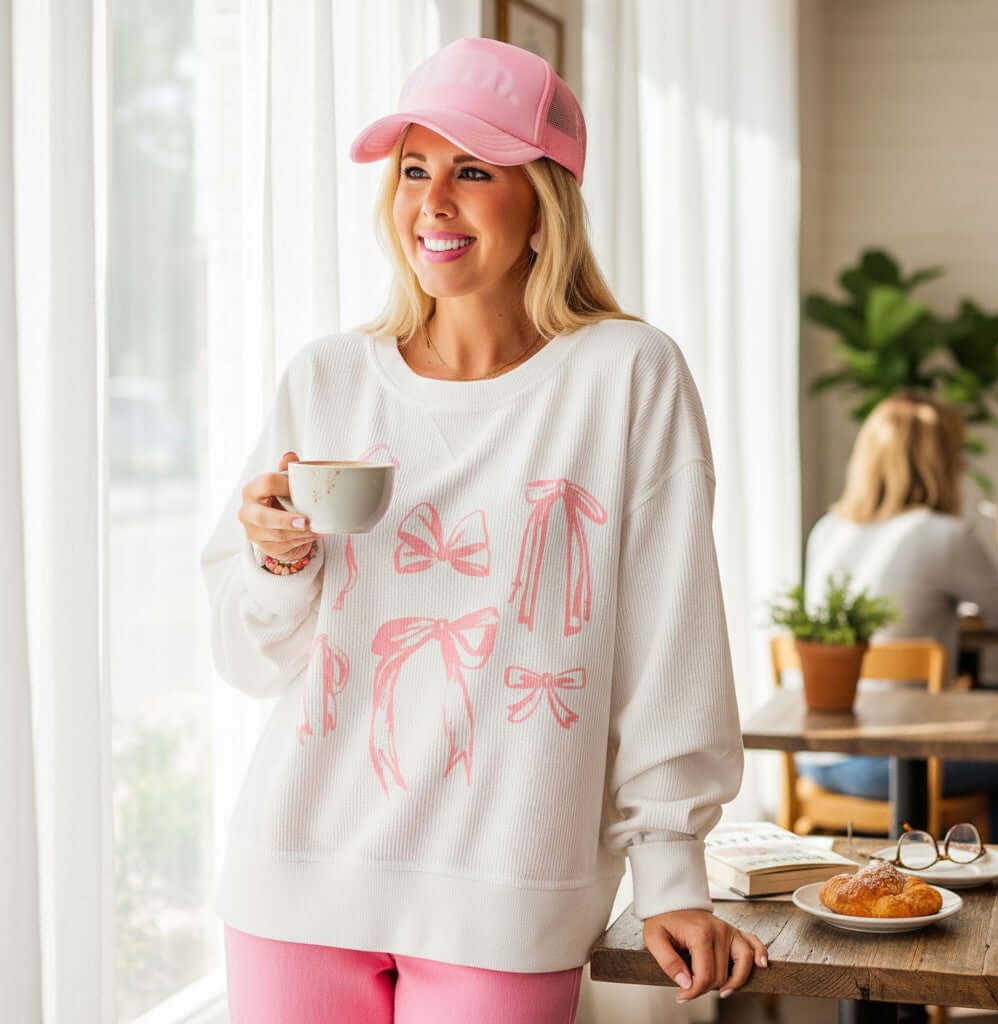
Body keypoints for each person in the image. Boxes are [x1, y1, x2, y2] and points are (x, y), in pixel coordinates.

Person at [200, 36, 766, 1023]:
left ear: (544, 199)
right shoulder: (327, 376)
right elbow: (258, 659)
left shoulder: (626, 375)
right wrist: (275, 554)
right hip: (295, 870)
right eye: (413, 169)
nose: (433, 201)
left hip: (507, 883)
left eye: (472, 170)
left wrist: (672, 873)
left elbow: (669, 641)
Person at [799, 390, 998, 844]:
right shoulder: (944, 535)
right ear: (942, 462)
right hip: (891, 762)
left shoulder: (828, 529)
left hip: (816, 757)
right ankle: (994, 879)